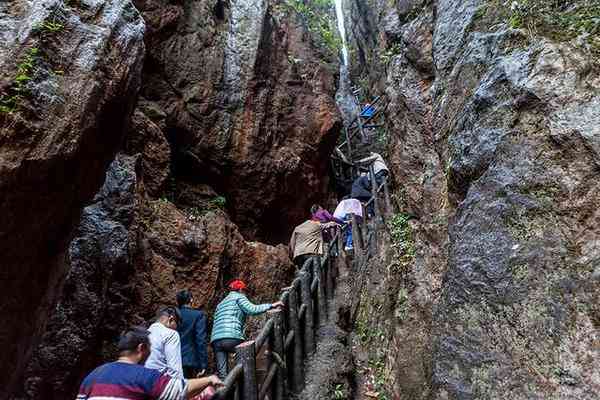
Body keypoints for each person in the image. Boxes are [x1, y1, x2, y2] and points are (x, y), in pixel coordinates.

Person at [77, 326, 222, 400]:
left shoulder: (93, 375)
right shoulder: (144, 376)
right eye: (149, 349)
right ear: (141, 348)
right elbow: (180, 390)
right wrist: (209, 379)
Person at [210, 279, 284, 379]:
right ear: (240, 289)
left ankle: (227, 392)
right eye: (244, 290)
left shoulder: (220, 304)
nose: (245, 293)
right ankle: (245, 388)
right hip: (232, 337)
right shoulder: (239, 297)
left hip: (216, 340)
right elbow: (252, 309)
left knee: (223, 374)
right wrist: (271, 305)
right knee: (246, 360)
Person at [145, 307, 184, 380]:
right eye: (177, 324)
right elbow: (175, 370)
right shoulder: (171, 334)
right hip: (158, 384)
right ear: (171, 319)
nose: (176, 328)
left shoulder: (144, 333)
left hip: (140, 383)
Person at [177, 289, 208, 379]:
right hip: (189, 359)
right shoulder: (198, 315)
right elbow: (200, 340)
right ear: (191, 300)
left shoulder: (173, 316)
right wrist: (203, 364)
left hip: (173, 358)